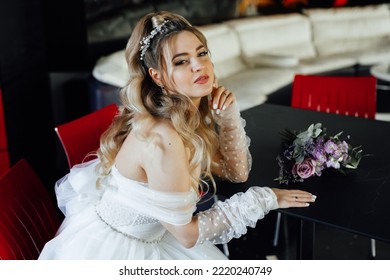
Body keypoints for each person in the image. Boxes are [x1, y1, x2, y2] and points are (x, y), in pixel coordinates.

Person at [39, 11, 316, 260]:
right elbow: (188, 235)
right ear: (158, 76)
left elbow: (237, 173)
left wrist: (229, 118)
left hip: (159, 235)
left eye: (202, 54)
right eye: (182, 61)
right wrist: (265, 200)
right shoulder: (164, 136)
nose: (198, 66)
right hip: (122, 252)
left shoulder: (185, 118)